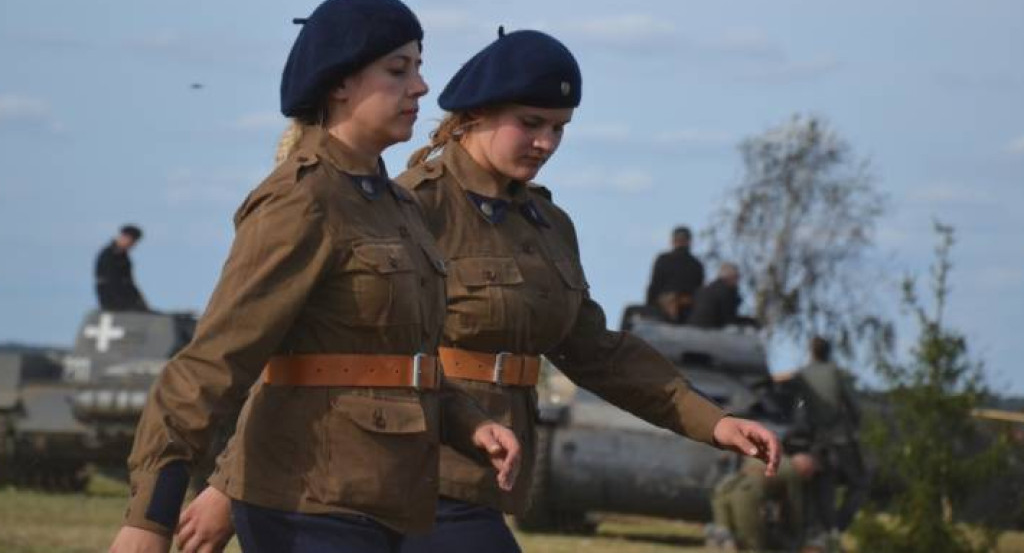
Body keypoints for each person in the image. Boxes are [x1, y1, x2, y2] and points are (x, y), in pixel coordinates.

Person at [178, 27, 782, 553]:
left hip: (484, 477)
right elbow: (300, 347)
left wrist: (714, 422)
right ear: (475, 116)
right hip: (400, 470)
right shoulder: (411, 204)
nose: (545, 142)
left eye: (558, 128)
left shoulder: (549, 227)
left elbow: (596, 351)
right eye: (530, 123)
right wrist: (231, 485)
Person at [108, 0, 521, 553]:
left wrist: (470, 423)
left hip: (387, 499)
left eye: (419, 68)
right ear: (340, 83)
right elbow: (213, 363)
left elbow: (396, 363)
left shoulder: (397, 207)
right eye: (398, 70)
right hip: (306, 502)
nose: (421, 87)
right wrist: (149, 517)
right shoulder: (301, 200)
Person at [792, 336, 866, 539]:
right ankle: (838, 526)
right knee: (859, 483)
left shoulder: (802, 375)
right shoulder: (835, 373)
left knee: (825, 482)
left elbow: (798, 410)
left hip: (815, 439)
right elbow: (855, 408)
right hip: (841, 437)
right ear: (828, 352)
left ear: (811, 352)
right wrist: (855, 428)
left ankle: (825, 529)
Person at [707, 450, 820, 552]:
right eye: (810, 473)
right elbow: (794, 505)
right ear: (805, 467)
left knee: (725, 528)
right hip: (747, 493)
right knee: (752, 540)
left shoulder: (775, 457)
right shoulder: (792, 472)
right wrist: (797, 533)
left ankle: (723, 539)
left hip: (728, 487)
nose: (809, 477)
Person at [645, 225, 705, 322]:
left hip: (671, 303)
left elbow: (654, 286)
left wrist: (648, 308)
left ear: (673, 241)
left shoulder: (663, 259)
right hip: (686, 305)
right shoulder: (696, 263)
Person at [95, 224, 150, 312]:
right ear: (124, 237)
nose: (132, 245)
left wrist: (139, 302)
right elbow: (109, 282)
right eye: (131, 241)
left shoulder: (124, 258)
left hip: (126, 299)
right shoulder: (108, 255)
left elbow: (129, 281)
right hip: (113, 302)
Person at [689, 262, 744, 329]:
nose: (737, 282)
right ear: (730, 277)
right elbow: (729, 319)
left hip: (693, 327)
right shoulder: (726, 292)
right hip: (712, 331)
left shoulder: (705, 289)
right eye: (736, 277)